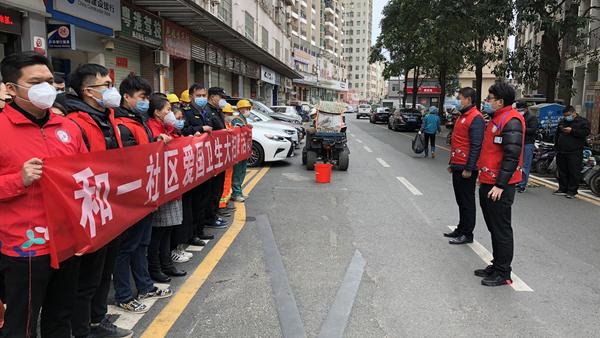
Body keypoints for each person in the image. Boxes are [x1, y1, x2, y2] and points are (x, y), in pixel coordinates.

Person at [0, 51, 87, 337]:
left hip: (66, 239)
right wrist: (18, 180)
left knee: (61, 316)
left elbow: (88, 173)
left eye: (50, 81)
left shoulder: (69, 127)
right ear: (11, 89)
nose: (47, 88)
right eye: (36, 82)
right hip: (24, 245)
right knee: (21, 324)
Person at [66, 64, 131, 338]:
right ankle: (81, 330)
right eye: (106, 85)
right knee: (87, 278)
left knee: (105, 273)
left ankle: (97, 319)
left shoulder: (107, 118)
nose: (112, 90)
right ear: (88, 91)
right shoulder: (74, 123)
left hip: (111, 208)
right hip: (88, 209)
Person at [112, 75, 172, 314]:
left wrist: (156, 139)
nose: (145, 101)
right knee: (126, 247)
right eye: (142, 97)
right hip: (129, 195)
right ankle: (124, 295)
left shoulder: (139, 120)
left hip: (145, 192)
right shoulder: (120, 123)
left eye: (147, 97)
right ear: (126, 97)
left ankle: (145, 286)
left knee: (141, 244)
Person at [476, 83, 524, 287]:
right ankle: (497, 265)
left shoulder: (511, 120)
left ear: (500, 101)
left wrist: (500, 185)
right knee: (493, 227)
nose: (487, 102)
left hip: (499, 186)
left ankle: (504, 272)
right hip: (489, 181)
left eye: (490, 98)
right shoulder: (496, 118)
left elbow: (511, 156)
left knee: (501, 229)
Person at [146, 94, 187, 280]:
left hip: (172, 180)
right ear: (156, 112)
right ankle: (156, 268)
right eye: (168, 110)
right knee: (159, 230)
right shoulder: (151, 128)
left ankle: (166, 263)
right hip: (160, 183)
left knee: (168, 228)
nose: (171, 113)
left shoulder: (167, 127)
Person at [444, 87, 485, 245]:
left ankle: (467, 233)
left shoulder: (476, 118)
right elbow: (457, 142)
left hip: (467, 168)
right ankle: (461, 228)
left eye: (460, 98)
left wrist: (469, 167)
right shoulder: (462, 116)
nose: (457, 100)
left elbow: (476, 145)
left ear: (468, 99)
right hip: (457, 164)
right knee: (460, 199)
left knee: (467, 201)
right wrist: (451, 163)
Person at [181, 83, 217, 247]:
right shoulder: (186, 113)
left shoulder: (207, 112)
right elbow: (183, 131)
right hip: (193, 163)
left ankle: (201, 230)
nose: (202, 98)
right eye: (199, 95)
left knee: (204, 197)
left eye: (204, 95)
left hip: (206, 162)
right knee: (195, 201)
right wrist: (200, 128)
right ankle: (193, 233)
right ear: (191, 96)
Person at [204, 87, 230, 230]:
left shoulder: (218, 111)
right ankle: (210, 217)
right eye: (220, 97)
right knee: (212, 188)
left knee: (218, 186)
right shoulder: (208, 111)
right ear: (213, 97)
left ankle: (214, 213)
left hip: (220, 154)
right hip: (212, 155)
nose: (222, 100)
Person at [553, 105, 591, 198]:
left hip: (575, 151)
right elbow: (557, 134)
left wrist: (572, 131)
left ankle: (572, 191)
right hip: (561, 151)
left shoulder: (582, 122)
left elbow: (585, 132)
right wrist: (556, 146)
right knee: (562, 170)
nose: (567, 117)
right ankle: (562, 188)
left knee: (573, 171)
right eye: (565, 115)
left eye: (568, 115)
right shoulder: (563, 121)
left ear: (574, 113)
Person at [231, 100, 252, 202]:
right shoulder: (237, 119)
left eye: (249, 109)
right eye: (246, 108)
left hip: (243, 150)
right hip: (238, 151)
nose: (248, 110)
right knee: (238, 172)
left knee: (242, 171)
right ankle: (236, 193)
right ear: (240, 109)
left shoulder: (243, 119)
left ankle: (239, 192)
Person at [516, 102, 538, 193]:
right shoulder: (518, 116)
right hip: (519, 142)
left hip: (528, 143)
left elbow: (533, 130)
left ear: (526, 109)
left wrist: (522, 128)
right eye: (518, 110)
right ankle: (518, 181)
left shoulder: (531, 118)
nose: (519, 112)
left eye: (521, 110)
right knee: (518, 164)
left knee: (525, 165)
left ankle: (522, 184)